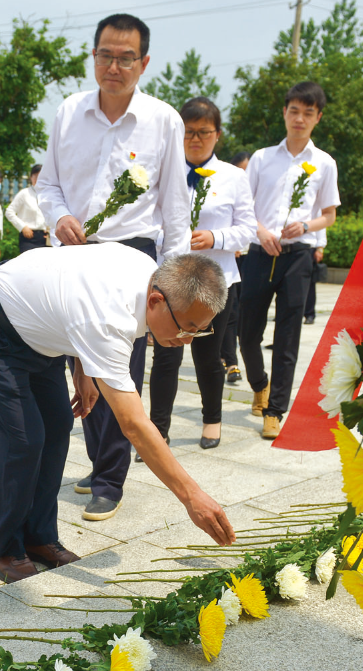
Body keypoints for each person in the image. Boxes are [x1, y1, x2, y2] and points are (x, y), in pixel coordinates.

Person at [0, 246, 235, 582]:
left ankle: (39, 537)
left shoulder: (148, 274)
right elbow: (133, 424)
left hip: (38, 331)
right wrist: (192, 496)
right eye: (187, 327)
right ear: (156, 302)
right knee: (22, 438)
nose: (188, 340)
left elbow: (73, 294)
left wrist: (84, 367)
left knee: (58, 426)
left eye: (199, 330)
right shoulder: (111, 315)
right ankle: (2, 547)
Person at [35, 12, 191, 522]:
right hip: (75, 252)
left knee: (120, 367)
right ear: (94, 56)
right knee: (78, 362)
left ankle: (110, 478)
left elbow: (174, 208)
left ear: (144, 62)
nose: (115, 66)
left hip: (131, 256)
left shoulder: (163, 120)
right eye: (106, 55)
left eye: (127, 58)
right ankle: (98, 459)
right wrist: (58, 217)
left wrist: (174, 279)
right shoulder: (68, 112)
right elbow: (48, 185)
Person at [147, 97, 255, 453]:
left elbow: (248, 230)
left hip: (217, 280)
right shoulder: (163, 172)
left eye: (204, 132)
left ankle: (212, 420)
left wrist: (215, 237)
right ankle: (157, 432)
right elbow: (151, 223)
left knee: (208, 357)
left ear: (217, 135)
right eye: (189, 132)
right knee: (166, 357)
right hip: (173, 281)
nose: (196, 139)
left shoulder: (235, 177)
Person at [240, 81, 339, 440]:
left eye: (308, 113)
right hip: (260, 251)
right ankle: (259, 383)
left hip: (298, 257)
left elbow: (328, 215)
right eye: (294, 111)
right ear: (284, 113)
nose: (300, 118)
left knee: (287, 335)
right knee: (247, 332)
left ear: (318, 118)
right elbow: (243, 208)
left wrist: (307, 225)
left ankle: (275, 409)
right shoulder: (263, 158)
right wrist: (262, 231)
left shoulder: (325, 164)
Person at [222, 150, 252, 384]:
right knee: (230, 313)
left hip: (252, 258)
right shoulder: (227, 186)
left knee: (237, 312)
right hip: (231, 256)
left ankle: (226, 356)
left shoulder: (256, 190)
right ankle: (230, 362)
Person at [6, 164, 48, 253]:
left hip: (44, 238)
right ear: (31, 177)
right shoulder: (24, 193)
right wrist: (22, 227)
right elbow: (9, 212)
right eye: (35, 176)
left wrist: (50, 231)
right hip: (28, 237)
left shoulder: (48, 195)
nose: (38, 179)